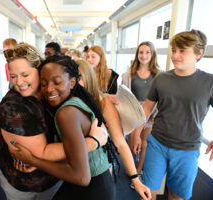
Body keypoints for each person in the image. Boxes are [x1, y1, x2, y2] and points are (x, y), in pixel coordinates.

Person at [0, 43, 107, 200]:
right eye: (13, 76)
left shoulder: (52, 94)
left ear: (40, 71)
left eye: (25, 75)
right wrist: (93, 142)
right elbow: (38, 153)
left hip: (56, 178)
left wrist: (105, 98)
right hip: (24, 184)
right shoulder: (13, 107)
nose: (19, 82)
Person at [131, 30, 213, 200]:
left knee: (176, 195)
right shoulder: (161, 79)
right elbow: (146, 109)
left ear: (199, 53)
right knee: (146, 192)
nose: (175, 55)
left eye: (182, 50)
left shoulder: (209, 82)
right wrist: (136, 133)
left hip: (187, 149)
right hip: (157, 143)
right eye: (174, 50)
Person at [76, 59, 152, 199]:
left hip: (99, 168)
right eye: (70, 77)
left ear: (88, 78)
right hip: (73, 171)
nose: (73, 82)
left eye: (79, 77)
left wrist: (135, 178)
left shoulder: (103, 102)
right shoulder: (65, 103)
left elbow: (120, 143)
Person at [121, 41, 161, 176]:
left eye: (147, 52)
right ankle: (132, 168)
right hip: (134, 113)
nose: (144, 56)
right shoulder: (128, 74)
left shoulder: (159, 75)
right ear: (137, 54)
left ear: (153, 54)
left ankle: (138, 170)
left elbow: (162, 97)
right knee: (133, 142)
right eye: (141, 52)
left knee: (144, 143)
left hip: (151, 114)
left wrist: (157, 114)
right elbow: (124, 95)